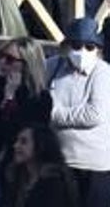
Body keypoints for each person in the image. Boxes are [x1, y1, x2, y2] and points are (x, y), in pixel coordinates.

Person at [46, 17, 110, 207]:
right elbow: (40, 99)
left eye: (89, 46)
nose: (82, 51)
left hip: (94, 167)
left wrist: (54, 115)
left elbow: (94, 114)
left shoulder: (103, 72)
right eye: (76, 45)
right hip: (58, 161)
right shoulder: (53, 66)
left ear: (98, 49)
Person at [0, 37, 52, 161]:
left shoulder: (40, 98)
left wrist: (10, 98)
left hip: (20, 161)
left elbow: (18, 132)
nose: (2, 62)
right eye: (1, 56)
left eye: (10, 59)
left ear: (27, 64)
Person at [1, 124, 82, 207]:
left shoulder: (54, 181)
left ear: (40, 145)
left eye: (23, 142)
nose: (16, 146)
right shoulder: (16, 176)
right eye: (17, 141)